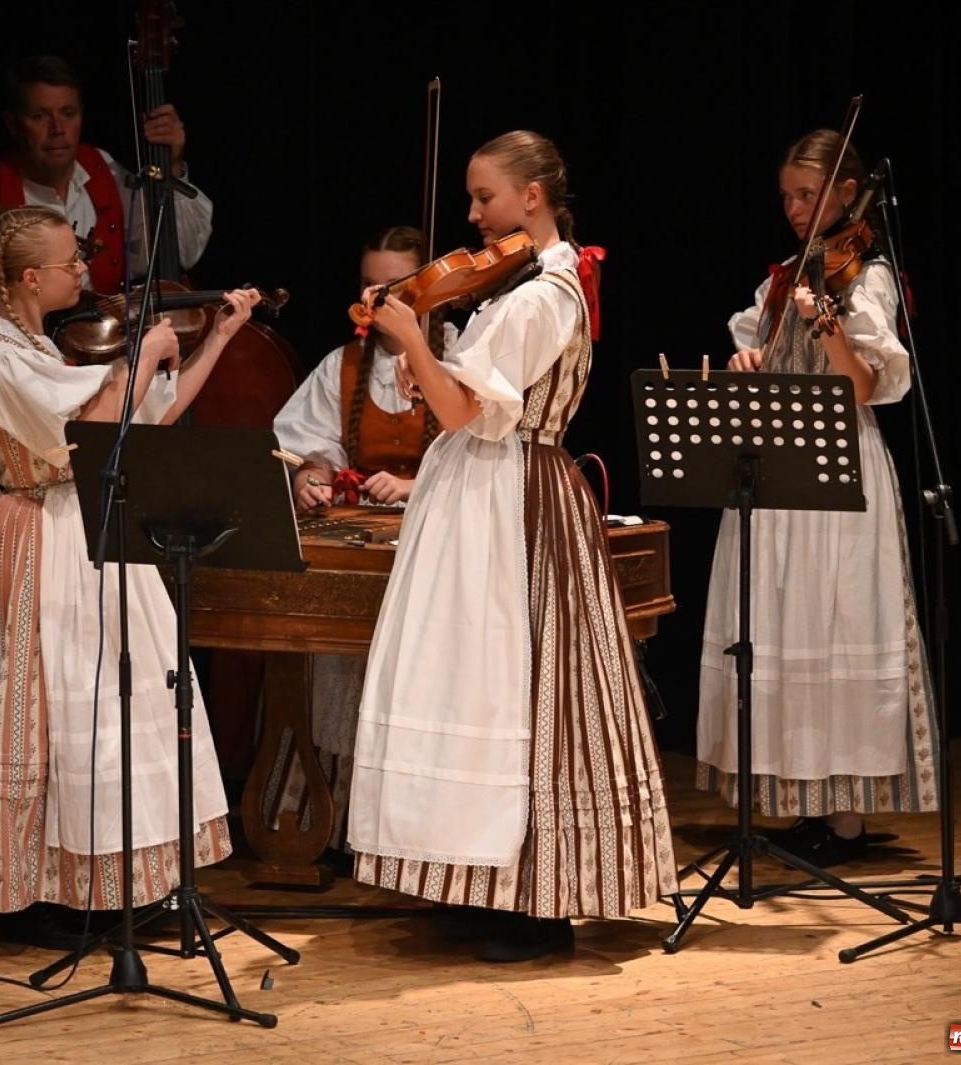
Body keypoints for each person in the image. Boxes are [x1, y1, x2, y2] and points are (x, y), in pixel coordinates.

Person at [344, 131, 677, 963]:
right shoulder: (523, 284)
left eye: (485, 197)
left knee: (515, 683)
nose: (472, 215)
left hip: (512, 497)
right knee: (473, 681)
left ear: (533, 197)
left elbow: (463, 412)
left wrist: (414, 335)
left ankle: (537, 899)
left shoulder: (545, 294)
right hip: (482, 490)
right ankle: (482, 879)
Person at [0, 206, 260, 914]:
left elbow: (150, 421)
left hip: (96, 532)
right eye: (73, 262)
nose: (86, 270)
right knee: (56, 710)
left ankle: (120, 887)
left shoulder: (48, 352)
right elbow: (85, 437)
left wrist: (216, 339)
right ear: (31, 277)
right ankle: (46, 889)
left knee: (121, 702)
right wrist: (140, 358)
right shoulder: (0, 357)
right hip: (42, 534)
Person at [696, 129, 938, 866]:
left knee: (836, 628)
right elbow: (767, 357)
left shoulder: (865, 277)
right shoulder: (783, 279)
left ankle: (848, 820)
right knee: (780, 627)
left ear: (847, 193)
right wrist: (750, 357)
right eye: (788, 197)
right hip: (776, 470)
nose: (796, 209)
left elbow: (865, 386)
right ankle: (803, 803)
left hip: (838, 468)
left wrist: (827, 323)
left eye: (808, 194)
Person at [267, 225, 457, 861]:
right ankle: (332, 826)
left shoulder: (459, 358)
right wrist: (310, 475)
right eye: (369, 285)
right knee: (342, 673)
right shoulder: (344, 366)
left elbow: (485, 443)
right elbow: (306, 440)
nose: (377, 299)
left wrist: (413, 483)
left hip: (441, 547)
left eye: (394, 286)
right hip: (363, 541)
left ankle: (414, 838)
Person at [0, 54, 211, 295]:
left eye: (68, 114)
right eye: (40, 116)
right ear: (13, 125)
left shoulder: (102, 168)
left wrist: (172, 167)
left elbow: (180, 252)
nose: (57, 129)